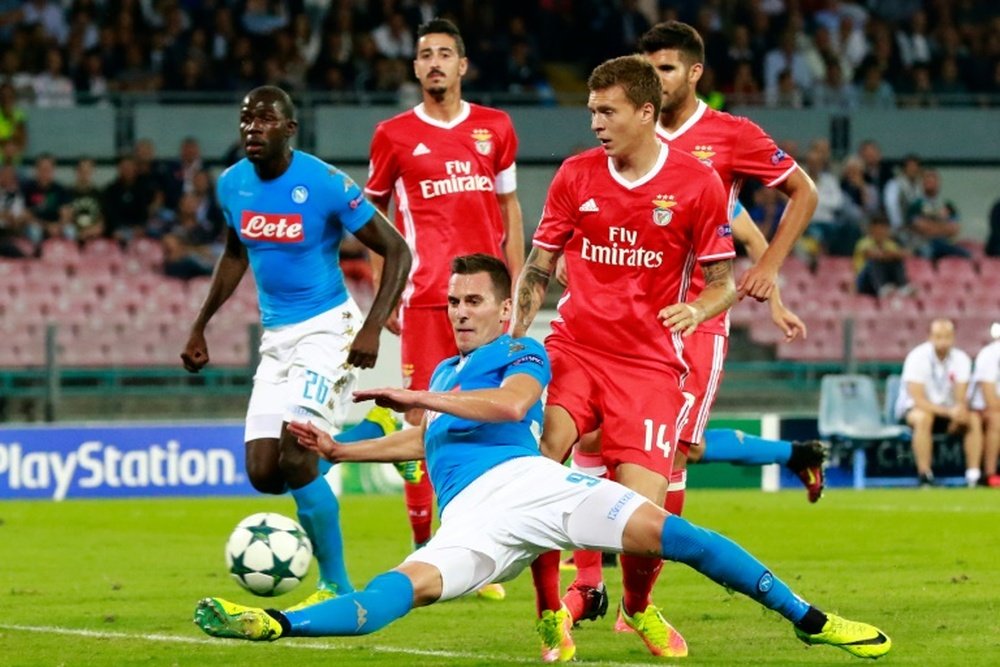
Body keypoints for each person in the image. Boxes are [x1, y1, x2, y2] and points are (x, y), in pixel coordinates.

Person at [191, 253, 892, 663]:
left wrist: (417, 394)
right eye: (453, 300)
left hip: (535, 484)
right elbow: (423, 442)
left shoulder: (520, 353)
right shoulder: (440, 377)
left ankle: (812, 620)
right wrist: (341, 447)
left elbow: (506, 409)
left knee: (679, 536)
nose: (459, 311)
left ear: (503, 309)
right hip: (470, 518)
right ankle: (275, 624)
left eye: (473, 301)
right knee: (393, 596)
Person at [532, 23, 823, 649]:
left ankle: (638, 600)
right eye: (649, 69)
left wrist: (768, 276)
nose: (657, 80)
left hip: (682, 327)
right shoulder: (597, 163)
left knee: (669, 462)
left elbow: (759, 214)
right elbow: (728, 218)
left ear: (690, 75)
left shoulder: (723, 146)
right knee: (568, 442)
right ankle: (579, 589)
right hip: (590, 336)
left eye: (666, 69)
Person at [511, 53, 739, 657]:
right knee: (541, 464)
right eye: (591, 111)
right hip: (577, 348)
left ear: (645, 111)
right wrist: (514, 333)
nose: (596, 123)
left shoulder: (697, 183)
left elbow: (724, 281)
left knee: (643, 519)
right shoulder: (575, 175)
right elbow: (538, 266)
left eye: (607, 111)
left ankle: (638, 609)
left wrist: (698, 310)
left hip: (649, 365)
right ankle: (548, 614)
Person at [180, 86, 412, 609]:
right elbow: (236, 254)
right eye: (245, 119)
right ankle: (376, 431)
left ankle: (337, 585)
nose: (252, 128)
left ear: (289, 129)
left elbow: (397, 250)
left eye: (264, 120)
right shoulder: (232, 185)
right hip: (278, 338)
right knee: (266, 473)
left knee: (297, 456)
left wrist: (372, 326)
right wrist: (200, 326)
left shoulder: (326, 184)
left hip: (329, 329)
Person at [363, 17, 524, 586]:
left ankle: (479, 540)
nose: (434, 62)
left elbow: (509, 209)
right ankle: (424, 540)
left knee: (484, 418)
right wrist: (385, 298)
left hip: (488, 301)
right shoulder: (393, 136)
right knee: (421, 421)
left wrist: (520, 283)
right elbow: (371, 221)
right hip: (427, 299)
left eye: (444, 54)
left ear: (462, 66)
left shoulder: (495, 128)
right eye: (424, 54)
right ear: (415, 68)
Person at [894, 319, 982, 487]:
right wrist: (948, 413)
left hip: (948, 413)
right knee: (923, 418)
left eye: (947, 336)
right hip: (915, 411)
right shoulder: (917, 357)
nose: (943, 341)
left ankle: (974, 475)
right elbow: (918, 399)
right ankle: (925, 474)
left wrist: (958, 412)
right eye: (938, 336)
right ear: (929, 337)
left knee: (973, 419)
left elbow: (961, 396)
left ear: (953, 338)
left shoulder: (961, 359)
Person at [969, 334, 1000, 487]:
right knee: (997, 419)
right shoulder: (990, 354)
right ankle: (990, 473)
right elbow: (990, 399)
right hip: (980, 409)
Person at [854, 214, 911, 298]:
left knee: (896, 261)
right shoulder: (864, 243)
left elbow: (905, 254)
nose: (881, 232)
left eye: (884, 229)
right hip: (865, 283)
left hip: (886, 280)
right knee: (873, 262)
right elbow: (873, 255)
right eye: (878, 229)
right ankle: (882, 288)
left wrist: (890, 255)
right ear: (871, 229)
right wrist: (890, 255)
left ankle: (903, 287)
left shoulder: (890, 244)